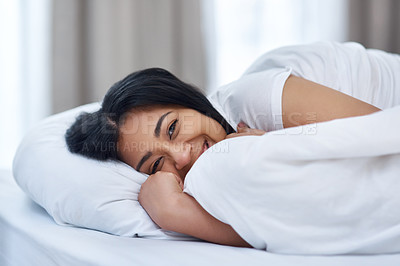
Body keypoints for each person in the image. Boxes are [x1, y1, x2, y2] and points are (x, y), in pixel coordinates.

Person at [66, 42, 398, 248]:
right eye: (156, 164)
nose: (182, 156)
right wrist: (173, 213)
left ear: (190, 101)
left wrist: (274, 143)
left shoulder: (259, 99)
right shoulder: (218, 167)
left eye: (172, 129)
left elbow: (385, 136)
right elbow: (269, 230)